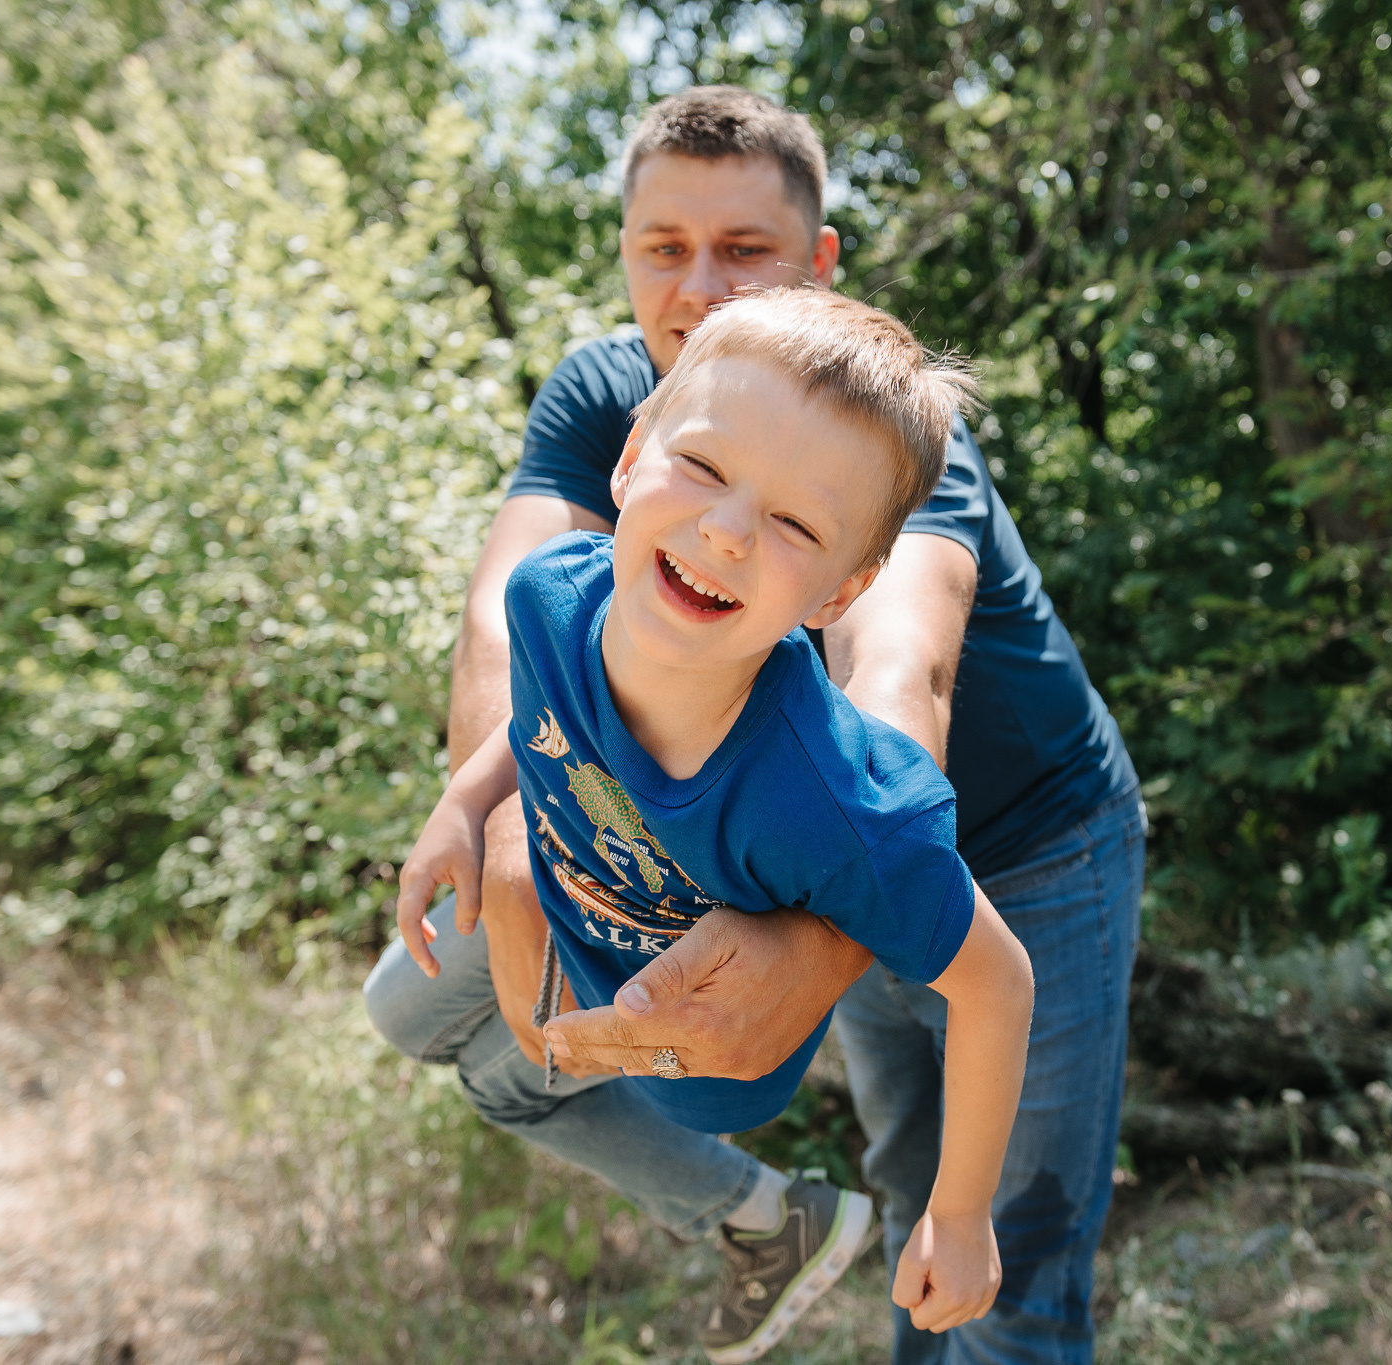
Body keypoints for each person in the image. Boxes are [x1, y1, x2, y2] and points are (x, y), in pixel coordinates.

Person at [364, 85, 1144, 1362]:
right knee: (908, 1178)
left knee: (1009, 1247)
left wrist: (833, 919)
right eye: (665, 248)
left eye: (748, 251)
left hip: (1015, 844)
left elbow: (897, 680)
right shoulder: (619, 403)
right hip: (778, 847)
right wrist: (497, 810)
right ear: (622, 254)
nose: (703, 289)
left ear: (820, 264)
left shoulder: (882, 434)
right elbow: (515, 623)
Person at [388, 287, 1035, 1363]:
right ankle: (759, 1217)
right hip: (569, 911)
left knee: (510, 1084)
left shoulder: (836, 802)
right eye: (700, 467)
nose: (725, 532)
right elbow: (542, 704)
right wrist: (463, 804)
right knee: (397, 1014)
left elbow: (996, 981)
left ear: (843, 588)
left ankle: (770, 1218)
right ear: (631, 453)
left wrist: (959, 1214)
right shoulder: (553, 592)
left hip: (695, 1047)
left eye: (793, 525)